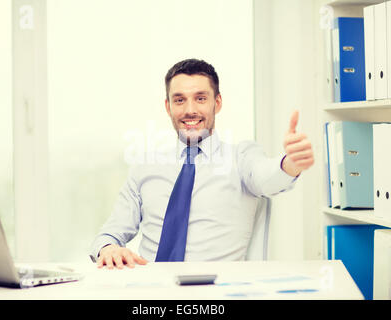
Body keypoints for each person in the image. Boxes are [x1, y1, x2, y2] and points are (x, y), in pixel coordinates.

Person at [89, 59, 314, 269]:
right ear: (168, 107)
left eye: (200, 98)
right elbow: (110, 233)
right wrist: (108, 248)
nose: (190, 110)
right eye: (179, 100)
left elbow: (267, 177)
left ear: (217, 102)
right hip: (151, 290)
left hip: (215, 293)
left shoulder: (241, 157)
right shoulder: (145, 167)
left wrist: (290, 163)